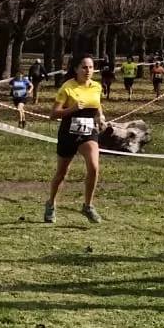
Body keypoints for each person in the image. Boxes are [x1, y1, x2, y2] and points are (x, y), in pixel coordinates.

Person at [46, 52, 107, 223]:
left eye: (91, 67)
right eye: (84, 67)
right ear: (76, 69)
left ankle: (88, 206)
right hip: (68, 133)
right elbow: (53, 114)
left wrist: (100, 118)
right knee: (62, 174)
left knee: (94, 167)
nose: (88, 70)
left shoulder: (96, 86)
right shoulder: (67, 87)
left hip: (88, 133)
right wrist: (71, 109)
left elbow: (98, 105)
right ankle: (51, 203)